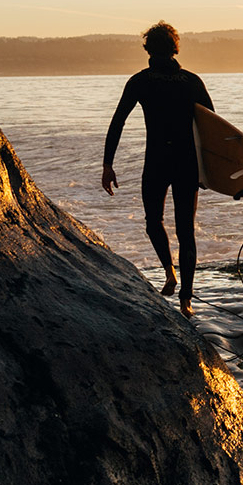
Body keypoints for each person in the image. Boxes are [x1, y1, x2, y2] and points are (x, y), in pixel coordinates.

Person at [102, 21, 212, 317]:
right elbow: (212, 129)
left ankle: (174, 279)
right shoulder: (191, 81)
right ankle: (182, 292)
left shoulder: (143, 81)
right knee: (184, 231)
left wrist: (108, 163)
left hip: (158, 162)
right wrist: (209, 171)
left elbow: (118, 122)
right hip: (186, 164)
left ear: (148, 49)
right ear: (174, 48)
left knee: (155, 222)